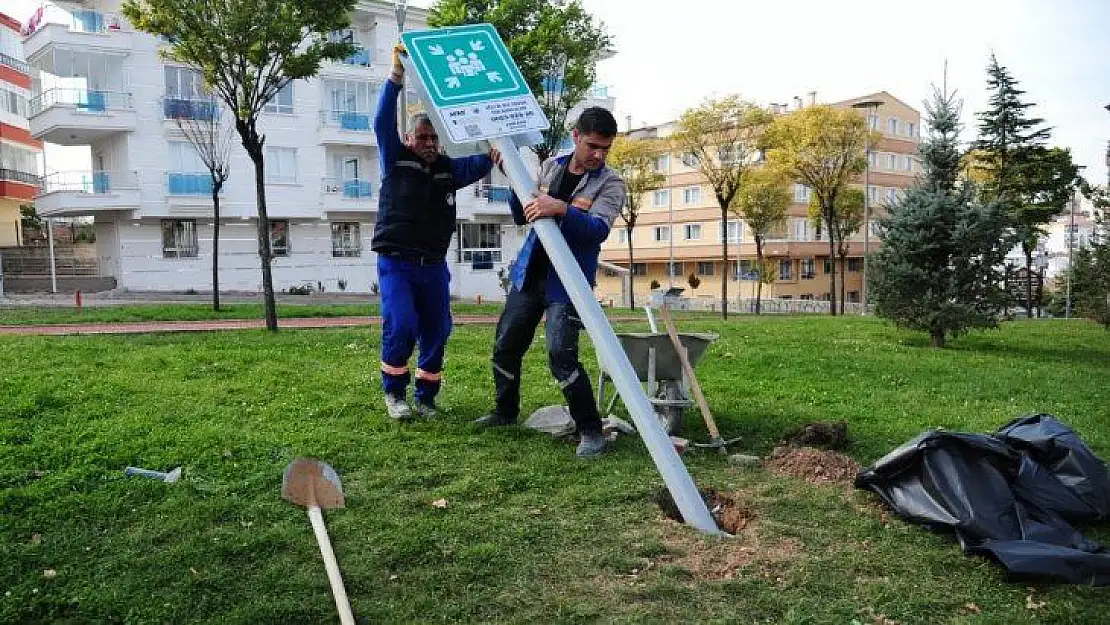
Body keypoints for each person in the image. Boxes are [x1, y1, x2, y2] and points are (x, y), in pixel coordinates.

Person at [474, 107, 626, 458]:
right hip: (530, 274)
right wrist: (511, 177)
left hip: (568, 282)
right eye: (592, 146)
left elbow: (597, 231)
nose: (599, 154)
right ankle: (504, 411)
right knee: (506, 346)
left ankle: (591, 431)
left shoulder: (611, 183)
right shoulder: (551, 166)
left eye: (606, 148)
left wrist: (562, 208)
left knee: (562, 356)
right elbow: (522, 213)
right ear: (576, 137)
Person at [373, 43, 501, 421]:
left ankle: (426, 397)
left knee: (438, 329)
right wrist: (395, 76)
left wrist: (499, 147)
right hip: (397, 263)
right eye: (422, 138)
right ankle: (394, 395)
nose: (429, 144)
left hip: (433, 266)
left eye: (434, 139)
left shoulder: (449, 170)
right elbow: (381, 122)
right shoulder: (395, 160)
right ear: (409, 139)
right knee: (402, 324)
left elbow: (486, 160)